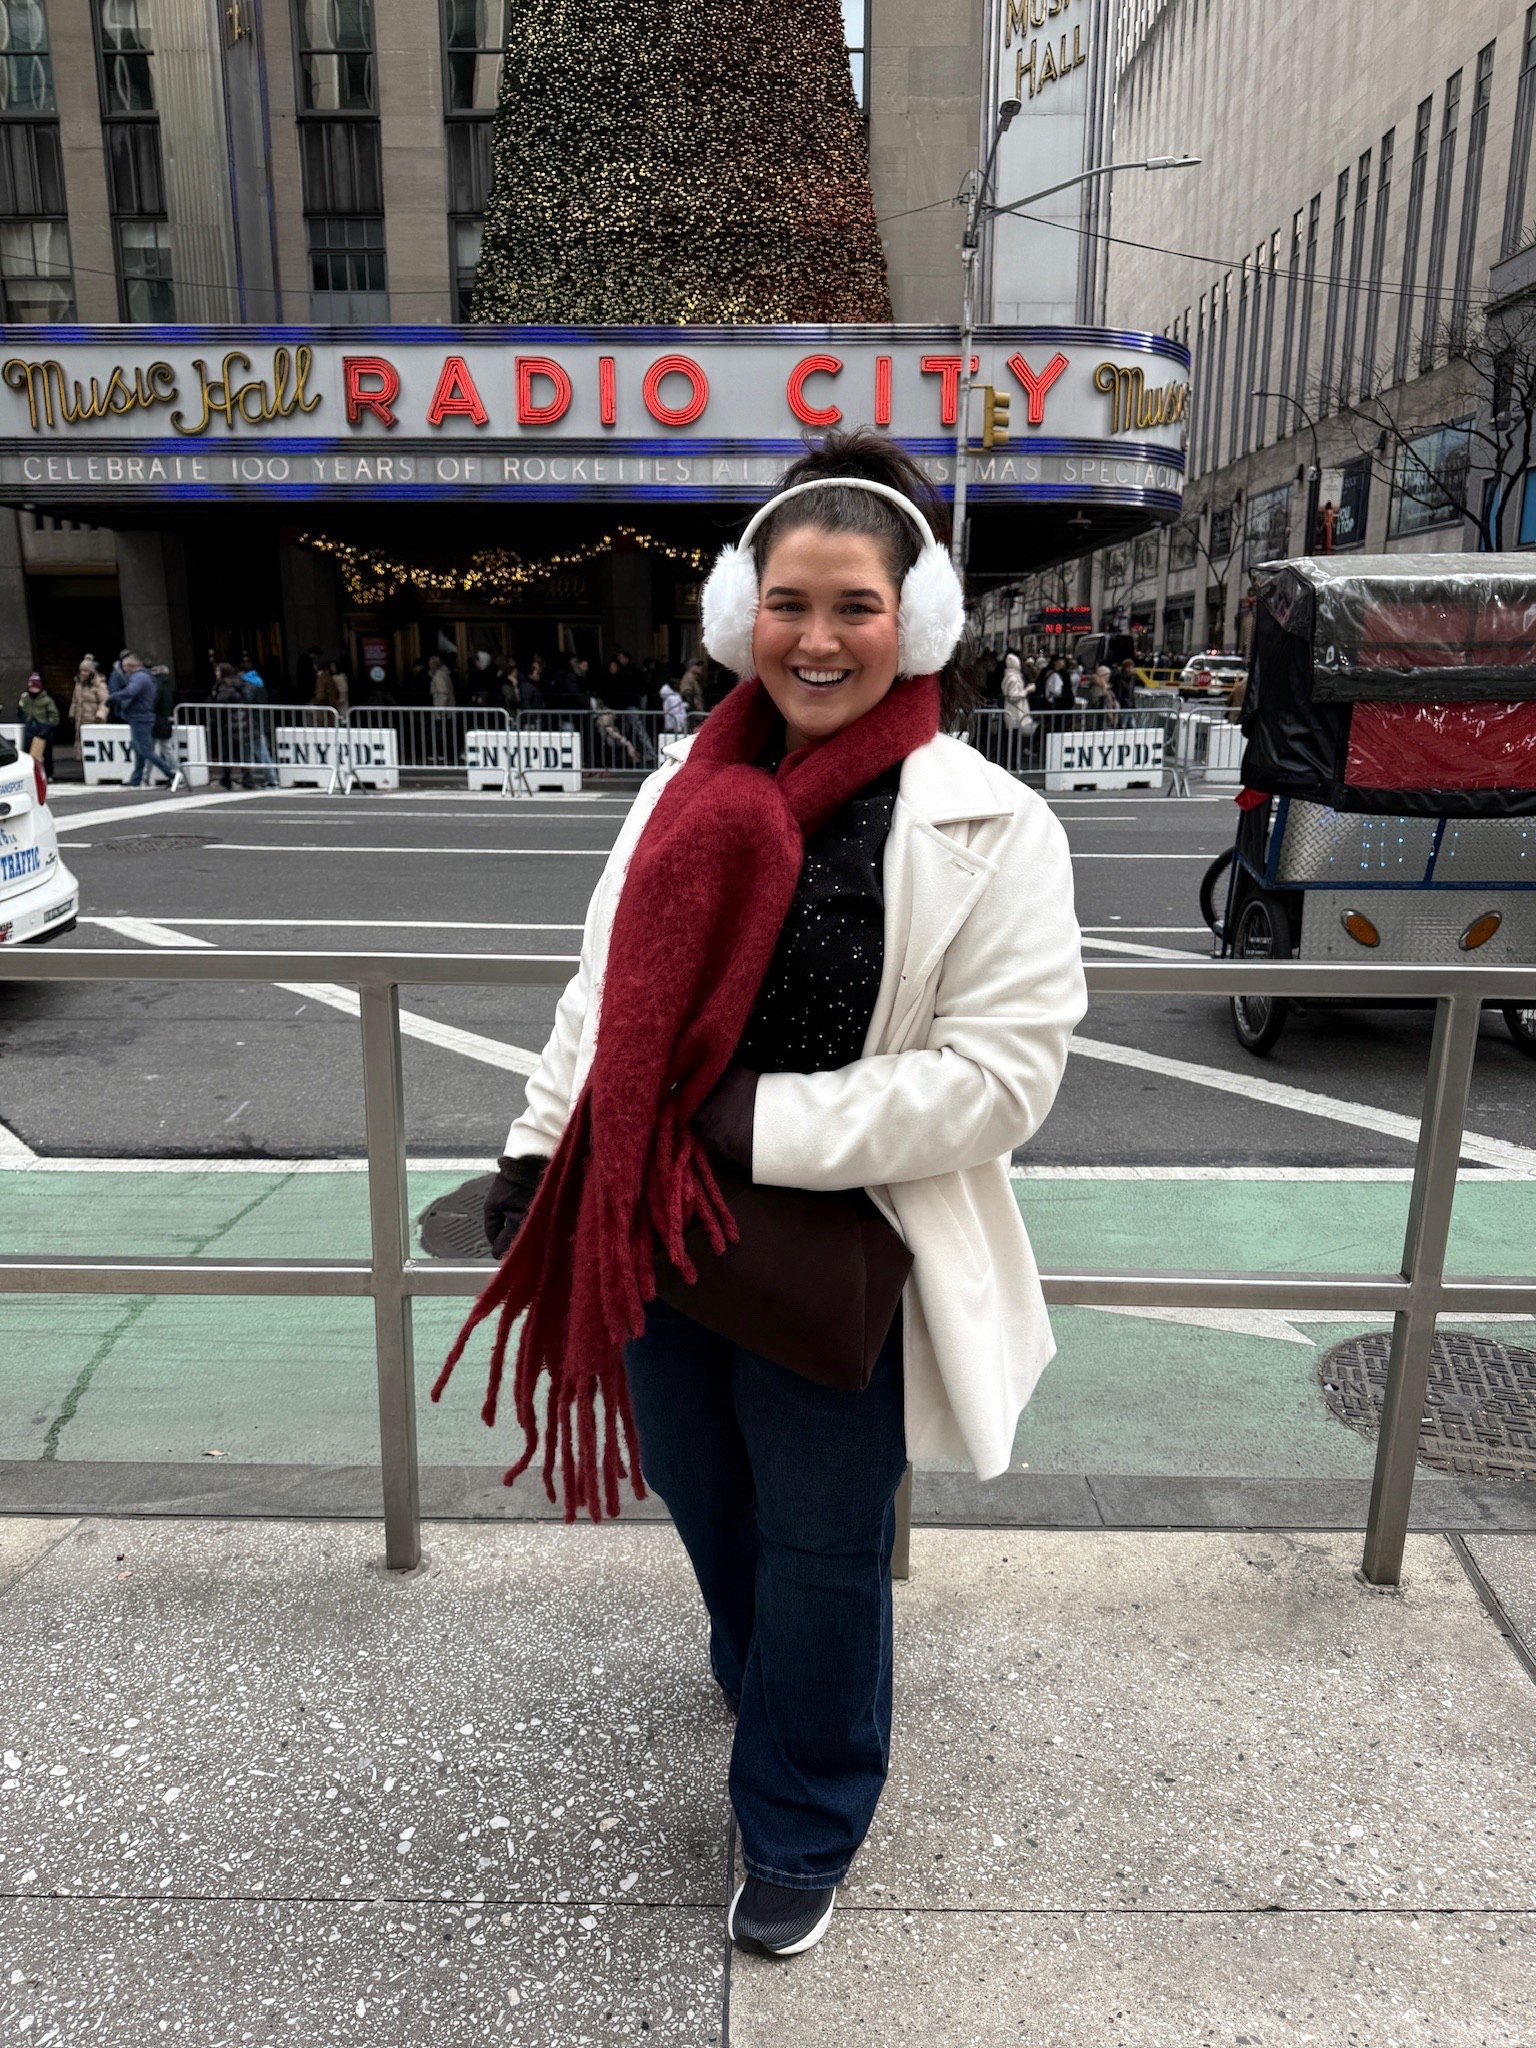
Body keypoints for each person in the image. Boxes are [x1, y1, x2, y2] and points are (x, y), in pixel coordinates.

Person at [441, 428, 1085, 1963]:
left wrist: (752, 1120)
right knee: (699, 1484)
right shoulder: (685, 788)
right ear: (745, 614)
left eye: (856, 605)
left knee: (821, 1539)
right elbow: (604, 998)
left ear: (915, 621)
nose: (818, 637)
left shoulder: (990, 820)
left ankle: (803, 1812)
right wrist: (540, 1152)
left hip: (836, 1241)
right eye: (790, 603)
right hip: (652, 1226)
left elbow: (1003, 1077)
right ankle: (773, 1667)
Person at [107, 652, 180, 788]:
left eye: (124, 666)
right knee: (139, 750)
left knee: (146, 750)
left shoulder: (138, 678)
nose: (124, 670)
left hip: (140, 717)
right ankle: (136, 778)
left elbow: (131, 691)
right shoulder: (144, 677)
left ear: (130, 666)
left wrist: (114, 697)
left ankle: (171, 773)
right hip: (141, 717)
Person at [17, 673, 59, 777]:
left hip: (43, 729)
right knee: (28, 753)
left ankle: (48, 774)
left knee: (46, 754)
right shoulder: (25, 698)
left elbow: (54, 717)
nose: (33, 690)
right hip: (30, 728)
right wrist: (25, 719)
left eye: (35, 688)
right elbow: (20, 712)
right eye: (31, 687)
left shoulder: (47, 700)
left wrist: (47, 726)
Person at [69, 657, 109, 753]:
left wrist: (100, 715)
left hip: (94, 719)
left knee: (94, 742)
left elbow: (105, 701)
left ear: (91, 671)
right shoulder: (78, 683)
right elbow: (75, 699)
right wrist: (72, 713)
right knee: (82, 741)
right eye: (81, 671)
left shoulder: (99, 684)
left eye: (86, 671)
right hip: (80, 718)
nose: (83, 673)